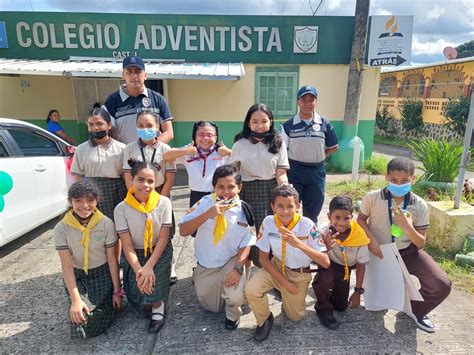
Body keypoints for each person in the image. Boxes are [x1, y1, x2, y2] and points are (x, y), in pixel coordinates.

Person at [357, 157, 452, 333]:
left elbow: (420, 243)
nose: (398, 185)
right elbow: (361, 220)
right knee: (377, 303)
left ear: (413, 179)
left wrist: (407, 228)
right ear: (386, 177)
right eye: (393, 180)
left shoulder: (419, 204)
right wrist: (371, 239)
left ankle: (416, 311)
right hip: (379, 253)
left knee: (441, 285)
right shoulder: (373, 198)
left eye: (405, 181)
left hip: (407, 252)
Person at [245, 184, 330, 341]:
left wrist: (298, 243)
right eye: (280, 206)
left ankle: (285, 296)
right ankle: (264, 320)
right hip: (276, 267)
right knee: (251, 290)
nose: (285, 211)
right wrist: (284, 283)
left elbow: (325, 262)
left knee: (295, 317)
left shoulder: (308, 225)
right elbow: (264, 259)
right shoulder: (269, 222)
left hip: (299, 274)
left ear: (298, 206)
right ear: (272, 207)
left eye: (290, 206)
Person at [179, 164, 256, 330]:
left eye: (231, 187)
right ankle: (213, 284)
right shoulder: (205, 203)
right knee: (211, 307)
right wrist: (207, 214)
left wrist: (237, 268)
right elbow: (184, 231)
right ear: (213, 187)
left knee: (234, 298)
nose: (226, 192)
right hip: (207, 265)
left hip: (230, 261)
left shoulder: (245, 211)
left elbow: (247, 243)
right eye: (220, 187)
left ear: (240, 187)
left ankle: (233, 313)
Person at [54, 181, 121, 339]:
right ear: (70, 201)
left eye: (90, 200)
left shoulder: (105, 224)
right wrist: (75, 300)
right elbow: (67, 266)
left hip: (101, 274)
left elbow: (112, 260)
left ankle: (106, 305)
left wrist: (118, 291)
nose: (85, 206)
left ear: (97, 201)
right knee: (79, 317)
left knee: (97, 316)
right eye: (78, 201)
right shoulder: (61, 228)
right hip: (78, 276)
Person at [114, 158, 173, 333]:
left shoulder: (164, 203)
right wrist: (140, 269)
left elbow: (163, 239)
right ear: (131, 180)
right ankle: (148, 298)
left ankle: (158, 307)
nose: (145, 185)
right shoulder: (121, 209)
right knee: (137, 291)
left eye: (150, 181)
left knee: (152, 283)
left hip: (158, 252)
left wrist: (149, 267)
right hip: (135, 255)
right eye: (140, 179)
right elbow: (127, 244)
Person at [122, 110, 177, 284]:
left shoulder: (165, 149)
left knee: (165, 232)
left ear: (157, 127)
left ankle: (170, 263)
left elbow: (169, 177)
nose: (145, 129)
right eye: (141, 125)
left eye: (149, 126)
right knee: (140, 231)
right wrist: (135, 197)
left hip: (159, 193)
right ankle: (139, 264)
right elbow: (127, 175)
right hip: (137, 194)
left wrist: (162, 200)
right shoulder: (129, 148)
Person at [231, 103, 289, 267]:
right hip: (246, 192)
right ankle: (244, 273)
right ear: (248, 123)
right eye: (255, 121)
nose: (260, 125)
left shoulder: (279, 143)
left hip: (270, 191)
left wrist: (287, 192)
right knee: (246, 231)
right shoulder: (239, 144)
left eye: (264, 121)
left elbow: (281, 174)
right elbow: (234, 174)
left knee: (269, 232)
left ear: (270, 122)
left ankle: (269, 272)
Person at [281, 85, 338, 223]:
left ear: (316, 101)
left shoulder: (324, 123)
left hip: (316, 172)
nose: (307, 103)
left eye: (311, 99)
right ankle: (290, 238)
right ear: (298, 102)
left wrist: (320, 155)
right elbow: (282, 150)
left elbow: (334, 146)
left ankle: (310, 239)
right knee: (290, 207)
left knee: (312, 212)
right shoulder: (288, 125)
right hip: (295, 171)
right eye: (303, 99)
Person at [312, 195, 370, 330]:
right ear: (328, 216)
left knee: (341, 307)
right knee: (325, 280)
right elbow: (315, 258)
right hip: (328, 263)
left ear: (352, 217)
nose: (342, 223)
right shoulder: (322, 231)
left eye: (346, 218)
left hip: (345, 270)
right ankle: (323, 308)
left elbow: (361, 265)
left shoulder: (359, 235)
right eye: (337, 217)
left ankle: (329, 288)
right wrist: (325, 247)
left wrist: (357, 292)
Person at [71, 108, 126, 221]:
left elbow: (126, 175)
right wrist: (81, 197)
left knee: (117, 223)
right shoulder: (81, 149)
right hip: (90, 193)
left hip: (116, 192)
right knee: (94, 224)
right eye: (91, 124)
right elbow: (78, 176)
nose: (95, 128)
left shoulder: (122, 148)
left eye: (99, 124)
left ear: (109, 125)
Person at [103, 56, 174, 144]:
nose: (134, 76)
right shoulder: (112, 101)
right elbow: (107, 133)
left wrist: (151, 148)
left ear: (145, 75)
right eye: (129, 72)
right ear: (123, 75)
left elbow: (168, 132)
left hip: (154, 156)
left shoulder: (157, 99)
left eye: (138, 71)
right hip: (125, 156)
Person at [163, 121, 231, 209]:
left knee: (215, 221)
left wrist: (229, 152)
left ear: (215, 138)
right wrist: (185, 151)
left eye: (209, 135)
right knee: (196, 220)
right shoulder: (189, 150)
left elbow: (242, 160)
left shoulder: (221, 152)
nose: (205, 138)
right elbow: (166, 156)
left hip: (217, 194)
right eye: (201, 134)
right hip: (196, 195)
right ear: (195, 136)